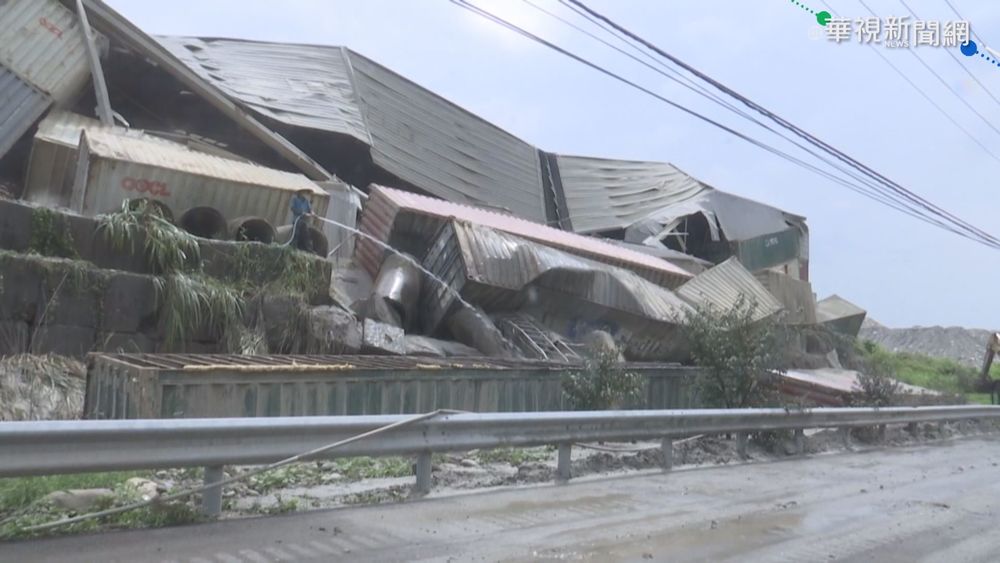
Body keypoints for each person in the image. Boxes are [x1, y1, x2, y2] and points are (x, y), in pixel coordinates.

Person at [290, 188, 314, 253]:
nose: (306, 194)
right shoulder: (295, 199)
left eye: (307, 193)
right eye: (305, 192)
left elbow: (310, 210)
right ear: (300, 192)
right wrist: (301, 212)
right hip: (297, 221)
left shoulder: (306, 202)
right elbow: (292, 208)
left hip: (304, 221)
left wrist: (312, 213)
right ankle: (292, 248)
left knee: (306, 235)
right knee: (296, 234)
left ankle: (309, 250)